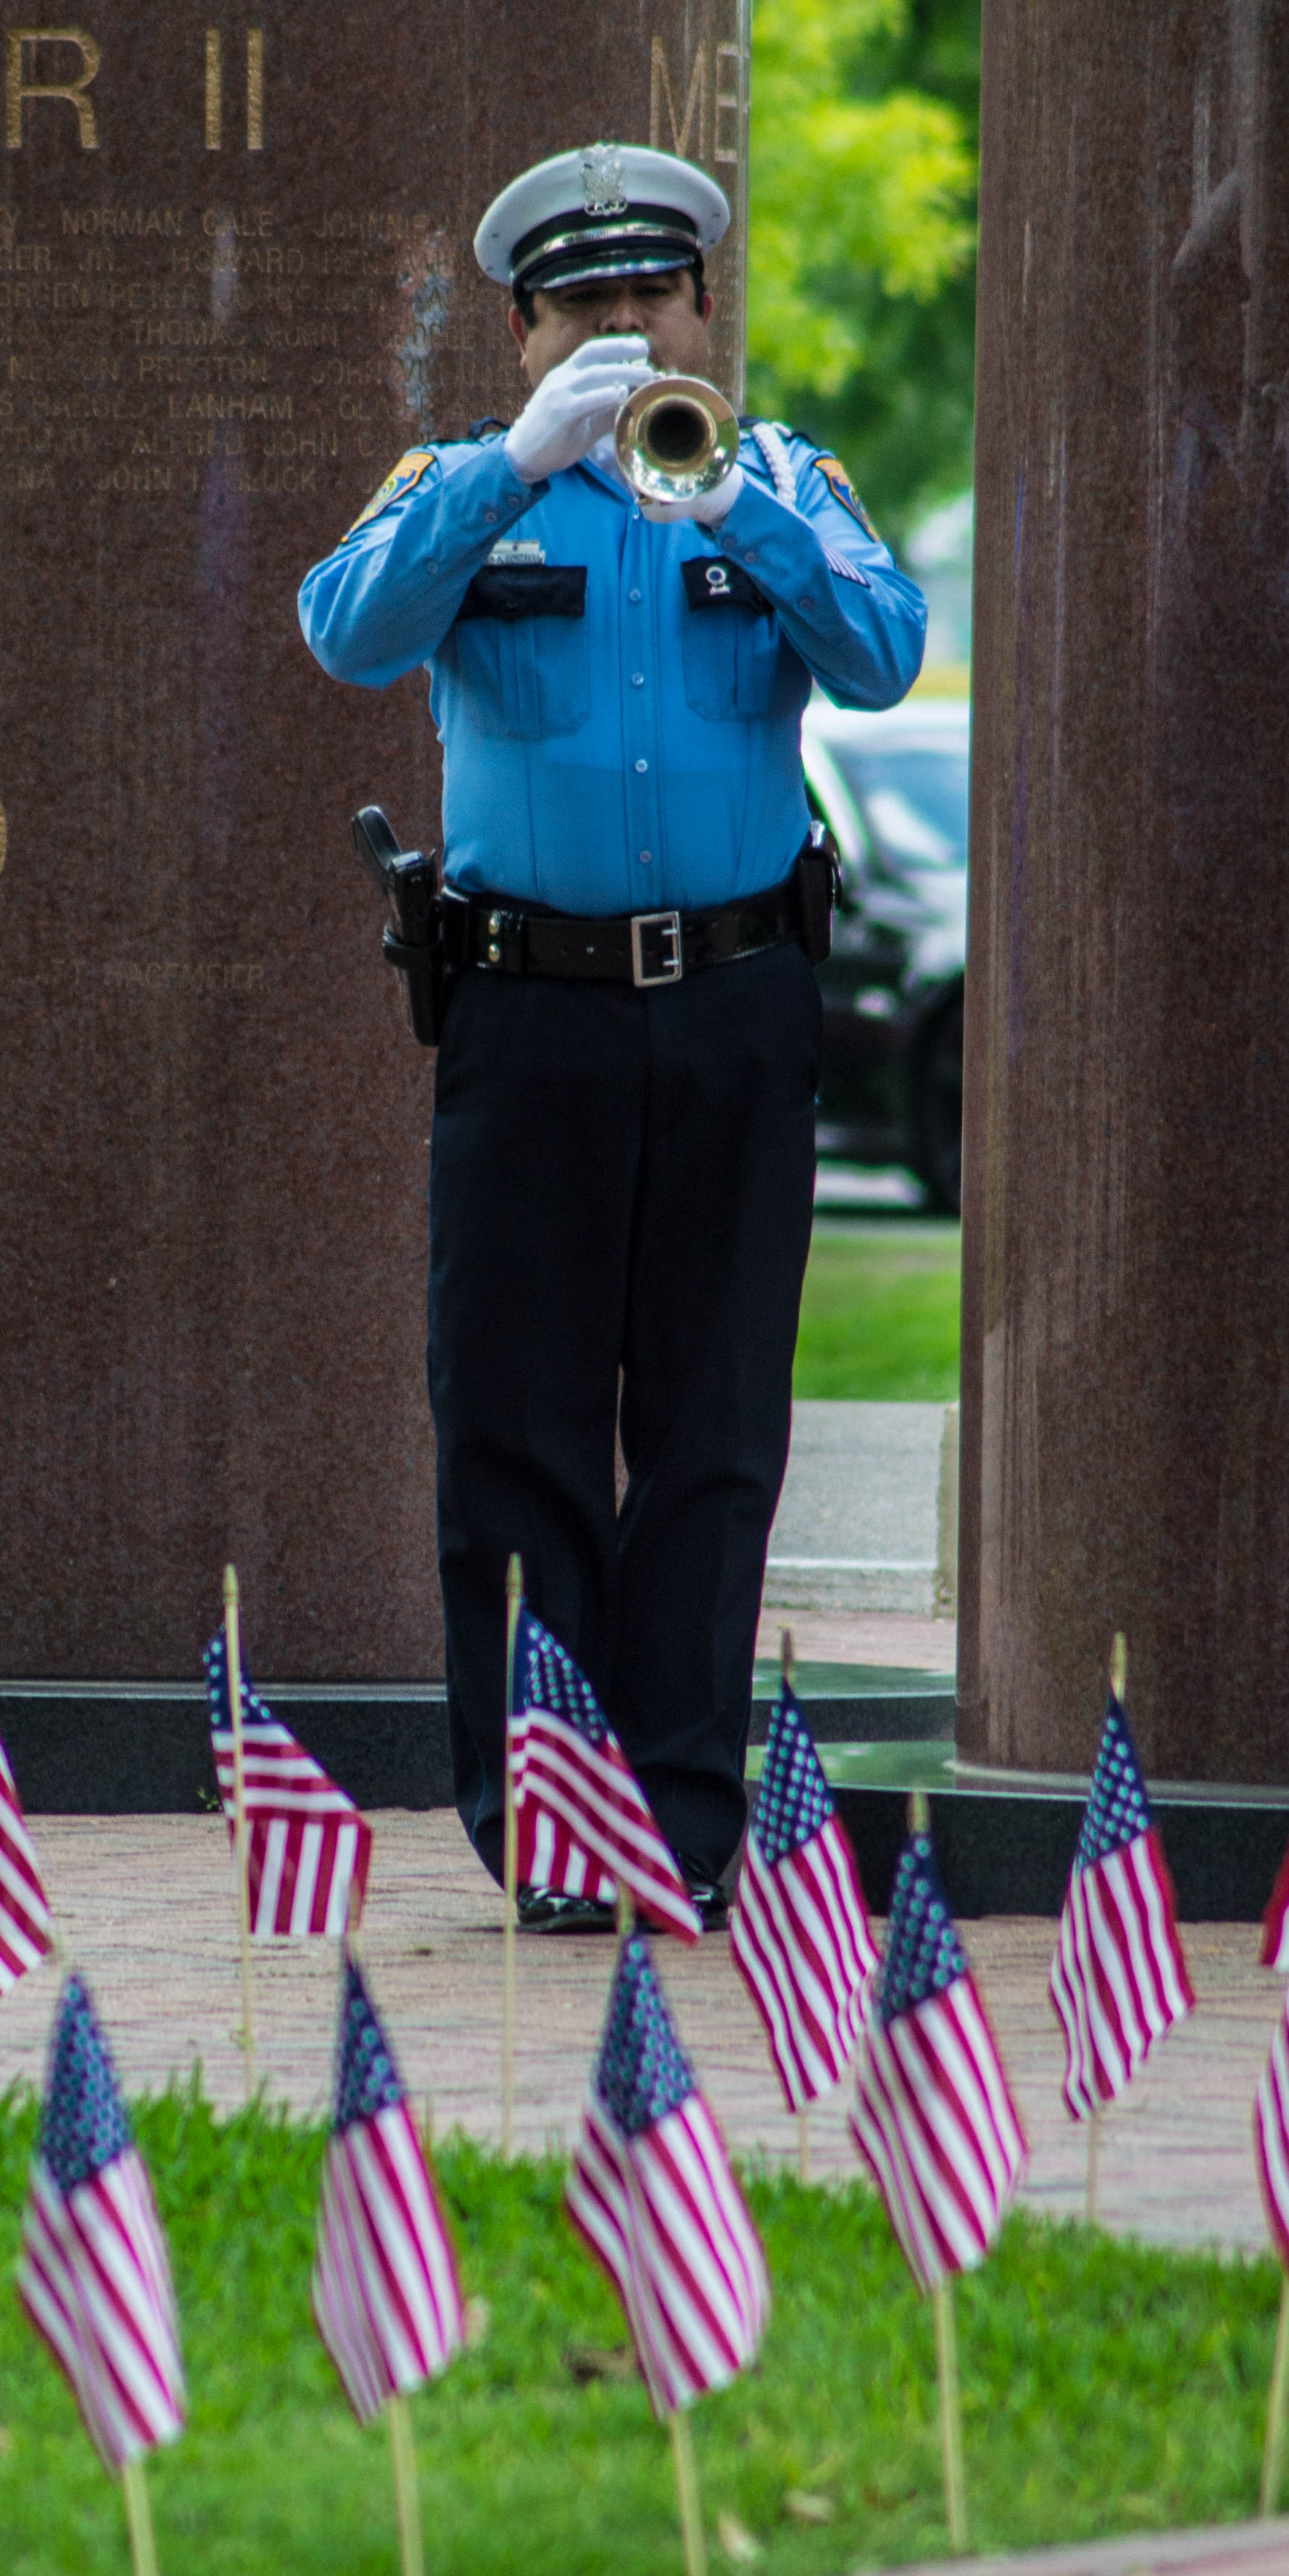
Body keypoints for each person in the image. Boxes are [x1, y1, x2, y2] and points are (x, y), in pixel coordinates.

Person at [298, 140, 925, 1928]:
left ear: (704, 312)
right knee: (520, 1430)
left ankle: (687, 1821)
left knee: (716, 1431)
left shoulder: (779, 477)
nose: (622, 329)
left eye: (650, 296)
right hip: (531, 1013)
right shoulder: (461, 487)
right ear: (521, 332)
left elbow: (882, 654)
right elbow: (347, 634)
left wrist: (733, 510)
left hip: (737, 1005)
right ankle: (554, 1829)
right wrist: (511, 470)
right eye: (581, 307)